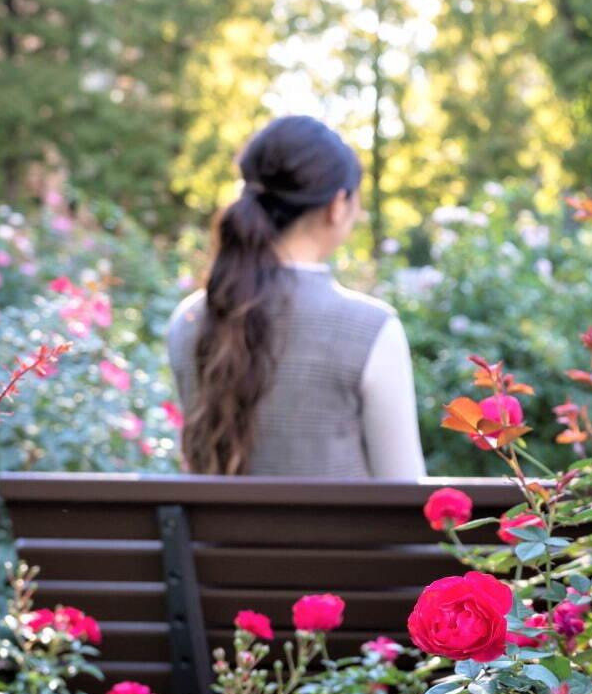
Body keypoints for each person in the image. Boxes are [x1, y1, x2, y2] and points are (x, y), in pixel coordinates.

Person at [167, 115, 426, 477]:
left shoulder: (190, 320)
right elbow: (404, 492)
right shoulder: (370, 330)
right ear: (337, 205)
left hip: (220, 536)